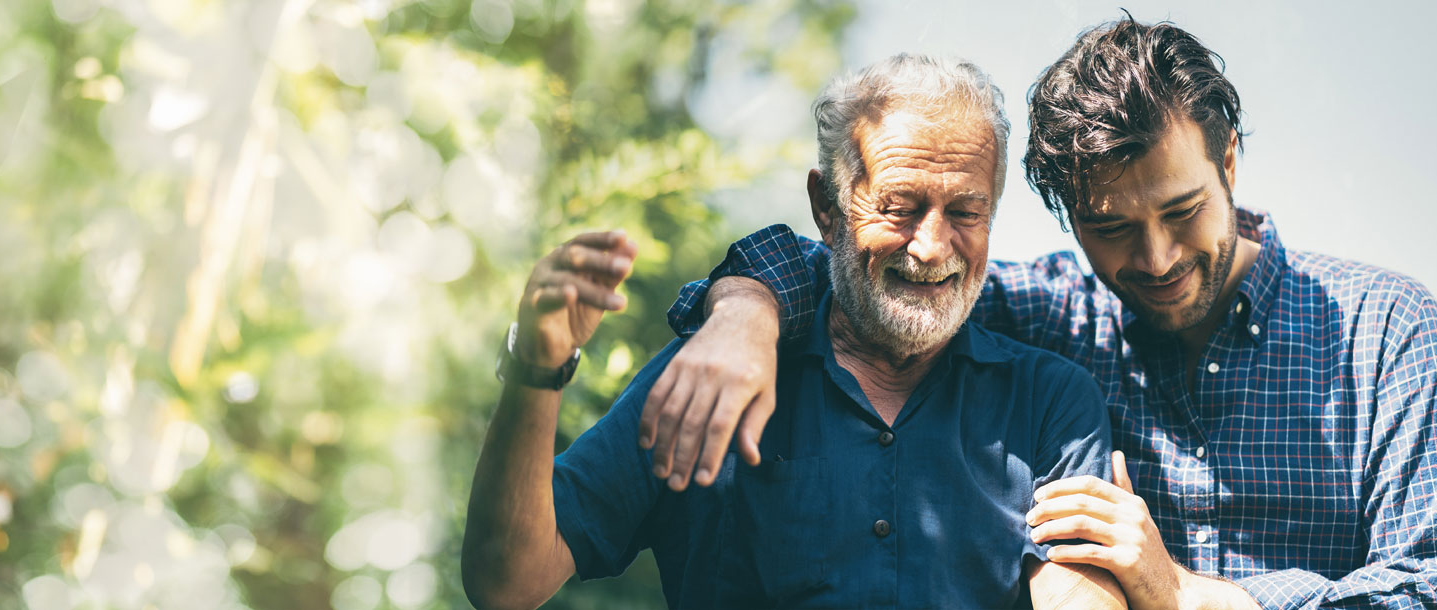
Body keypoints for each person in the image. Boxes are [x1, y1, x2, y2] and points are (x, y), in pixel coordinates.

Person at [645, 15, 1437, 610]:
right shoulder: (1044, 318)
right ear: (1065, 214)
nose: (1154, 259)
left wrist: (1185, 595)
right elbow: (863, 268)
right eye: (1111, 228)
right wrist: (743, 311)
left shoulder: (1385, 329)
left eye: (1182, 211)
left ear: (1229, 159)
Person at [460, 54, 1128, 610]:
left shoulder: (1051, 401)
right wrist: (537, 367)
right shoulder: (709, 371)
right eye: (899, 208)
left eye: (966, 211)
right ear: (826, 208)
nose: (930, 246)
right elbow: (506, 580)